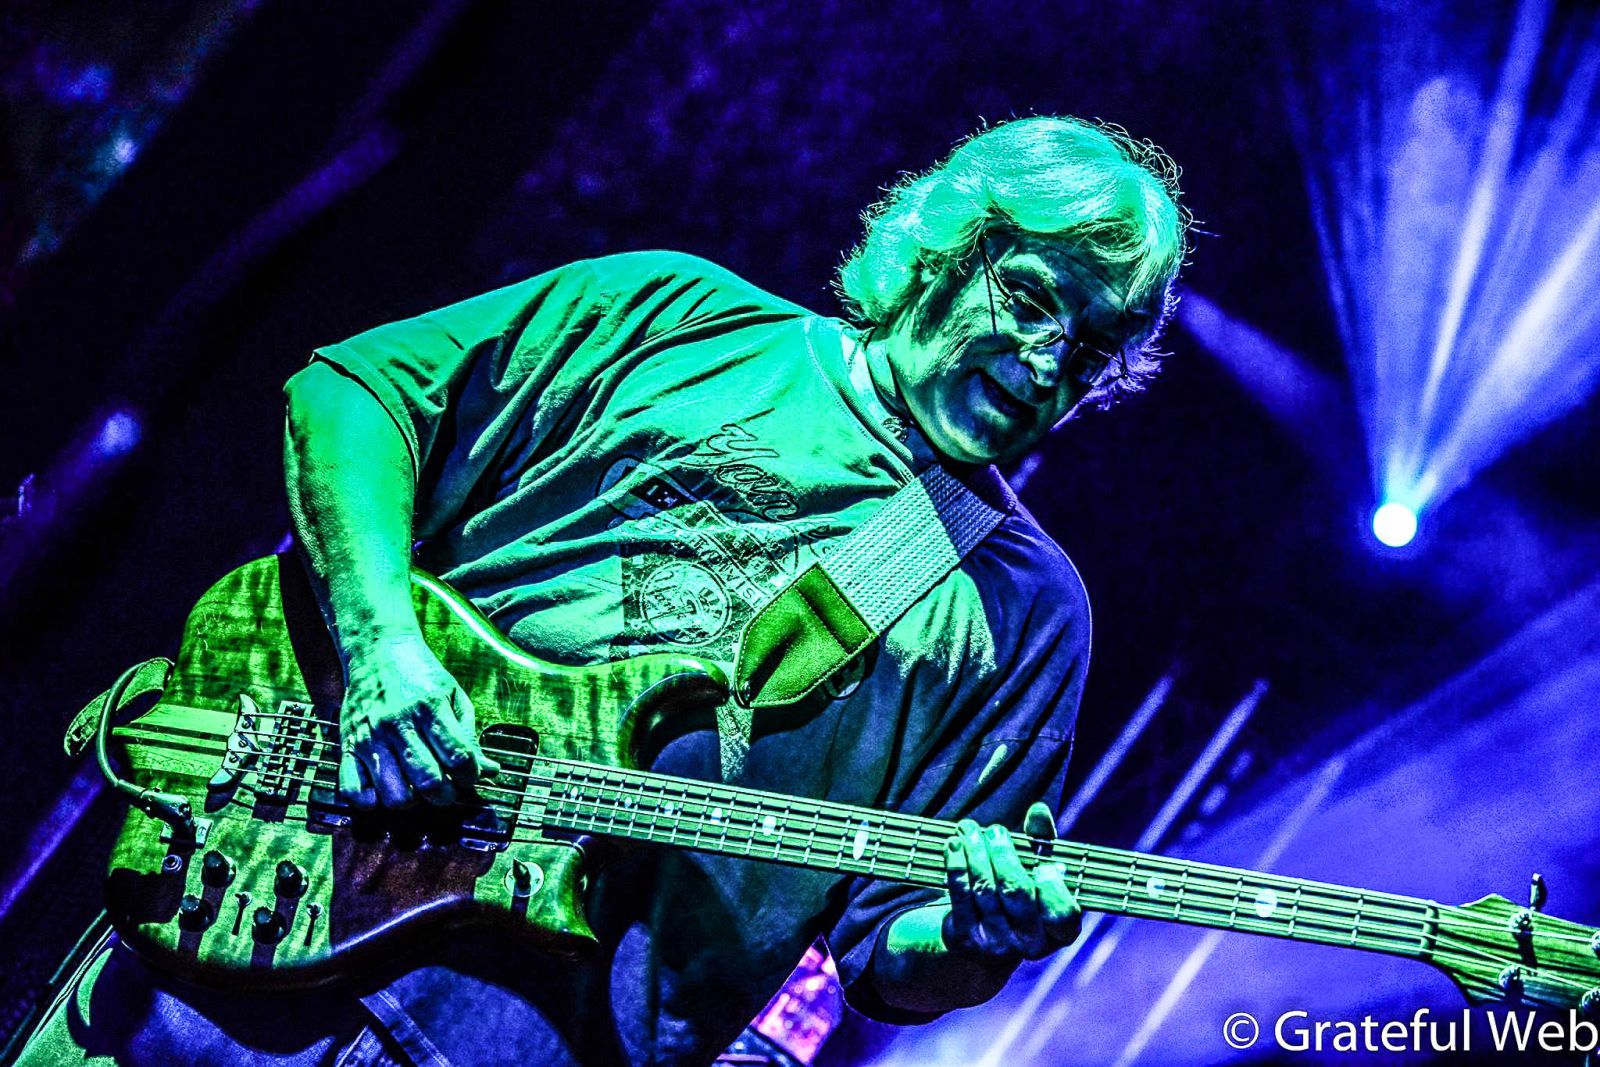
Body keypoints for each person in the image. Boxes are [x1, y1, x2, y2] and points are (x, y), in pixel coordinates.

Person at [17, 114, 1186, 1066]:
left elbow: (890, 952)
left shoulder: (1020, 607)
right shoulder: (673, 315)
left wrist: (977, 932)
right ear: (947, 247)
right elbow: (354, 397)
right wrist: (382, 653)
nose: (1049, 363)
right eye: (1030, 299)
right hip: (249, 905)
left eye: (1091, 350)